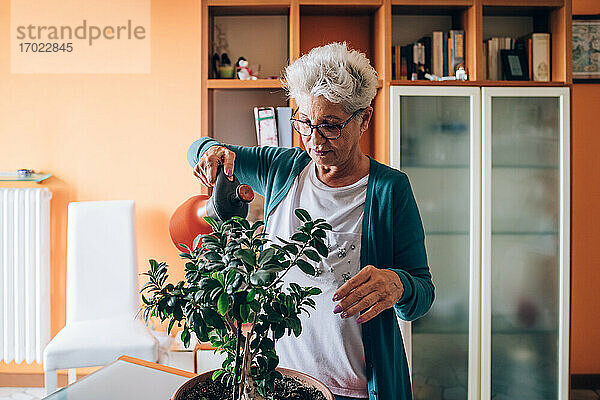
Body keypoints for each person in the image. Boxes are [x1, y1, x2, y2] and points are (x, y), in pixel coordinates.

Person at [188, 42, 434, 400]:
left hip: (357, 389)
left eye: (330, 126)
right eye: (305, 122)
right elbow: (201, 147)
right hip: (278, 381)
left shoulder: (390, 190)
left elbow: (422, 294)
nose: (314, 140)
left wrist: (398, 284)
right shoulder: (282, 169)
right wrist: (209, 153)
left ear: (364, 119)